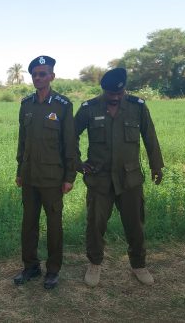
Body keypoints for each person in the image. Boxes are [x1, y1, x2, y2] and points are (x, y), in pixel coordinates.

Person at [74, 67, 164, 287]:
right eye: (110, 94)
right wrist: (77, 163)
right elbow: (70, 135)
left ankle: (139, 265)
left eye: (119, 94)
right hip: (99, 179)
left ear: (124, 90)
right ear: (103, 90)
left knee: (135, 224)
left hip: (130, 179)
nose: (114, 98)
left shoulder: (138, 107)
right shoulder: (89, 108)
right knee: (95, 225)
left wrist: (156, 166)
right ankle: (94, 264)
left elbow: (149, 136)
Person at [14, 55, 77, 290]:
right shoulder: (26, 104)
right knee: (28, 224)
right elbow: (23, 141)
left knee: (54, 226)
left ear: (52, 76)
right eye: (35, 74)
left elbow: (69, 142)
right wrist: (20, 170)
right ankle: (30, 266)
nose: (38, 77)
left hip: (52, 177)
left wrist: (69, 176)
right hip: (29, 176)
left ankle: (52, 270)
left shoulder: (62, 104)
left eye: (43, 73)